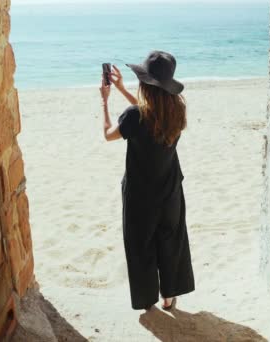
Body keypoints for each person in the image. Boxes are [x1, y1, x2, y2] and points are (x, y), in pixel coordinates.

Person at [99, 51, 195, 311]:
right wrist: (121, 90)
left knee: (140, 246)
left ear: (145, 83)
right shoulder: (177, 110)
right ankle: (169, 297)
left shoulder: (134, 116)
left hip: (141, 194)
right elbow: (149, 113)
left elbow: (109, 134)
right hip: (170, 189)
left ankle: (147, 300)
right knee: (170, 241)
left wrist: (105, 102)